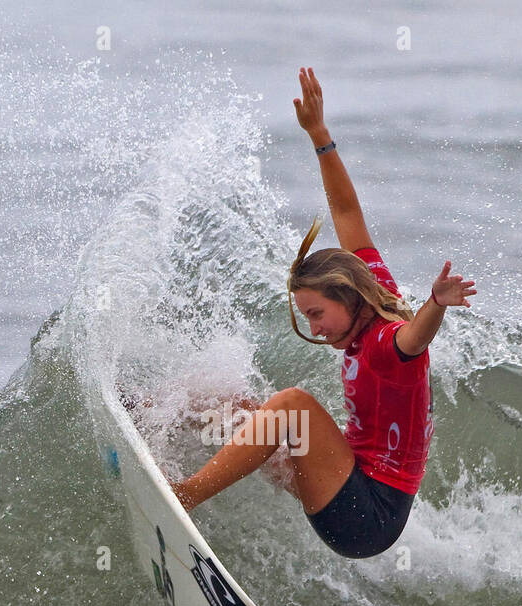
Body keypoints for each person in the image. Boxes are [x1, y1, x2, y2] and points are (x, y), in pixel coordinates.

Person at [169, 66, 475, 558]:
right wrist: (320, 136)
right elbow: (349, 215)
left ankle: (187, 496)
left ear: (349, 298)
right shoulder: (372, 287)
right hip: (350, 483)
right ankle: (146, 411)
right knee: (247, 413)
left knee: (291, 404)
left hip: (368, 515)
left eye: (316, 314)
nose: (313, 328)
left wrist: (436, 303)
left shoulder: (386, 339)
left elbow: (415, 339)